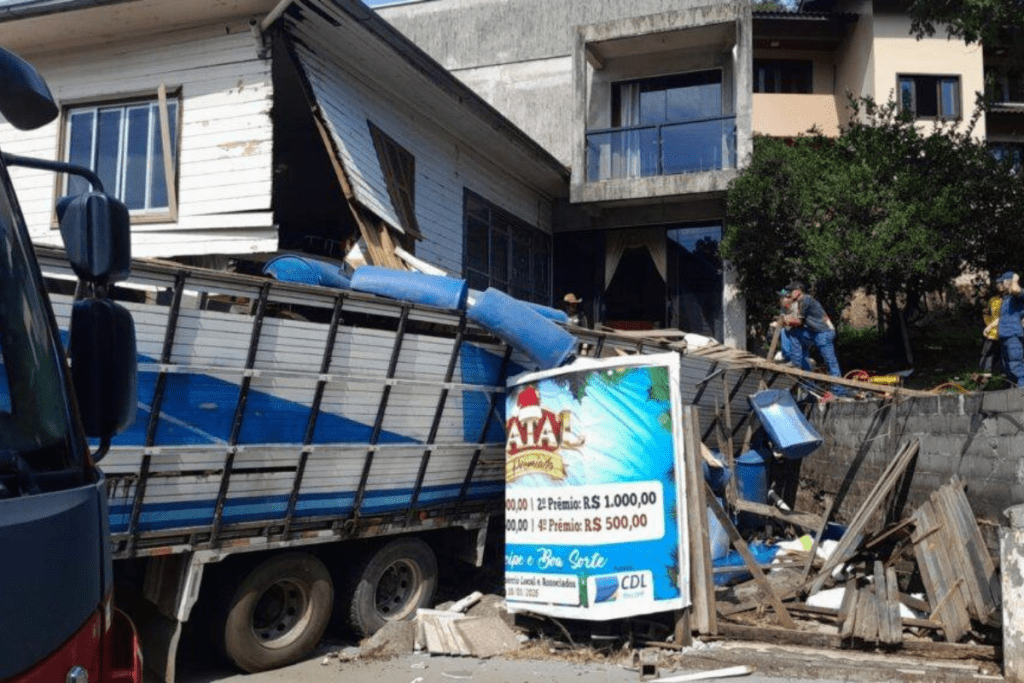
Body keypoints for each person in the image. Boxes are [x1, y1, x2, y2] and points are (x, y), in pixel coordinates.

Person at [783, 281, 846, 395]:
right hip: (815, 332)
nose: (789, 294)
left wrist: (784, 321)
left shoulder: (806, 300)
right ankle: (796, 362)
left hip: (824, 333)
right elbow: (799, 323)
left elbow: (799, 321)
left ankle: (838, 390)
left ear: (797, 292)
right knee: (794, 333)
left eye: (791, 292)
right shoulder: (801, 302)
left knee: (830, 362)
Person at [994, 271, 1024, 388]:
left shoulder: (1017, 295)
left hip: (1013, 335)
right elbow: (1003, 317)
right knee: (1007, 366)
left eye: (1003, 282)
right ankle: (1012, 390)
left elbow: (1016, 290)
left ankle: (1022, 389)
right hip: (1004, 336)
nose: (1000, 285)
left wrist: (1015, 279)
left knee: (1015, 363)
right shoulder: (1006, 298)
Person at [977, 289, 1002, 379]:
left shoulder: (994, 301)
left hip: (994, 332)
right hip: (998, 332)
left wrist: (988, 327)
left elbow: (992, 317)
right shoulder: (997, 301)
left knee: (987, 354)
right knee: (995, 354)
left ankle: (985, 374)